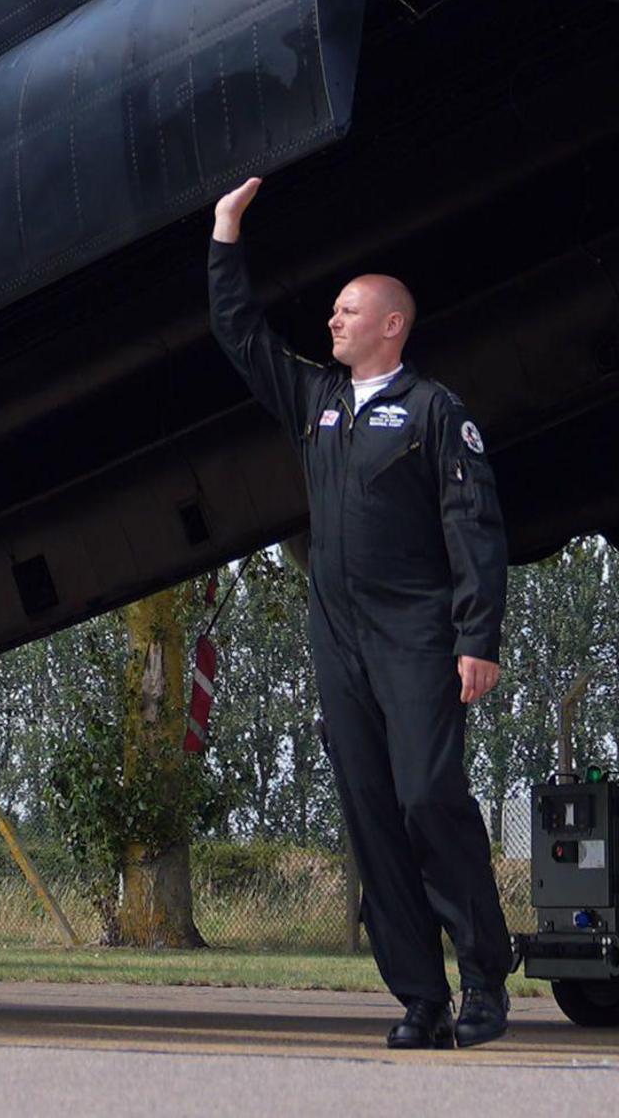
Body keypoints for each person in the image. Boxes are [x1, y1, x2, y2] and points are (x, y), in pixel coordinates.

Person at [207, 175, 516, 1049]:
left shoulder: (433, 412)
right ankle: (421, 996)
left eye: (349, 311)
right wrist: (227, 234)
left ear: (392, 324)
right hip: (336, 640)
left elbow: (475, 528)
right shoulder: (318, 403)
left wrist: (476, 636)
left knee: (426, 796)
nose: (333, 321)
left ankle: (485, 974)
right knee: (372, 813)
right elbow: (241, 335)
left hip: (417, 635)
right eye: (333, 312)